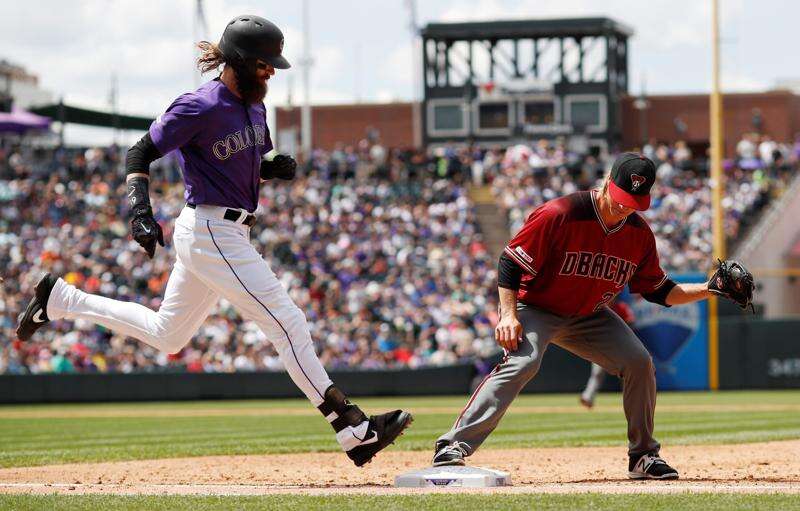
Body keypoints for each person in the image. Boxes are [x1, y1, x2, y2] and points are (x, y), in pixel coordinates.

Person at [16, 14, 411, 467]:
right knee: (288, 321)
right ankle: (353, 428)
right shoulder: (199, 105)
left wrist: (271, 165)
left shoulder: (255, 104)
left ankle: (61, 299)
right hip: (210, 229)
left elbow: (249, 157)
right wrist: (140, 210)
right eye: (265, 63)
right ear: (239, 60)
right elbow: (139, 151)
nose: (272, 71)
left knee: (169, 335)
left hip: (225, 230)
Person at [431, 153, 748, 480]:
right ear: (608, 183)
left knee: (639, 362)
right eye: (623, 196)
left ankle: (643, 457)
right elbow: (511, 263)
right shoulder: (561, 213)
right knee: (523, 362)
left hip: (589, 316)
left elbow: (659, 290)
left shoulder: (639, 234)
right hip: (537, 308)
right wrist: (508, 315)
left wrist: (710, 289)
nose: (626, 206)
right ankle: (453, 445)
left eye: (635, 201)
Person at [579, 298, 635, 409]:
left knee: (626, 375)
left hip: (620, 347)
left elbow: (631, 322)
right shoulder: (597, 308)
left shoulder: (621, 307)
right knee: (597, 373)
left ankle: (630, 400)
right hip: (602, 347)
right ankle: (587, 397)